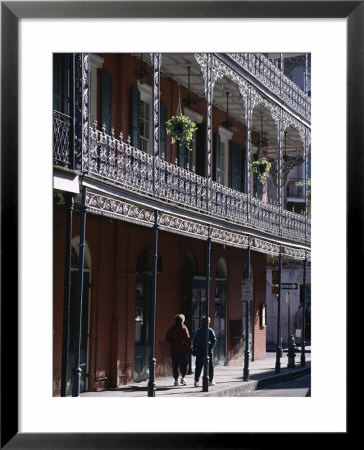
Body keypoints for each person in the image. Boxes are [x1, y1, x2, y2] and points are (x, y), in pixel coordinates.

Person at [165, 314, 190, 386]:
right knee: (184, 363)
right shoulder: (184, 328)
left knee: (175, 364)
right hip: (182, 348)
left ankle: (176, 380)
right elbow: (187, 339)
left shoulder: (172, 328)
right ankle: (183, 377)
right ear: (183, 320)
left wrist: (173, 342)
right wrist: (188, 347)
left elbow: (167, 338)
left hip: (173, 348)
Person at [192, 316, 217, 387]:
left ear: (202, 322)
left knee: (198, 366)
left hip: (199, 350)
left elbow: (194, 341)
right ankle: (210, 381)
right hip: (208, 350)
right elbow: (214, 340)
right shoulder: (210, 330)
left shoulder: (198, 331)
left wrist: (194, 349)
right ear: (208, 322)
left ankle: (196, 381)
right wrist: (211, 347)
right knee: (210, 366)